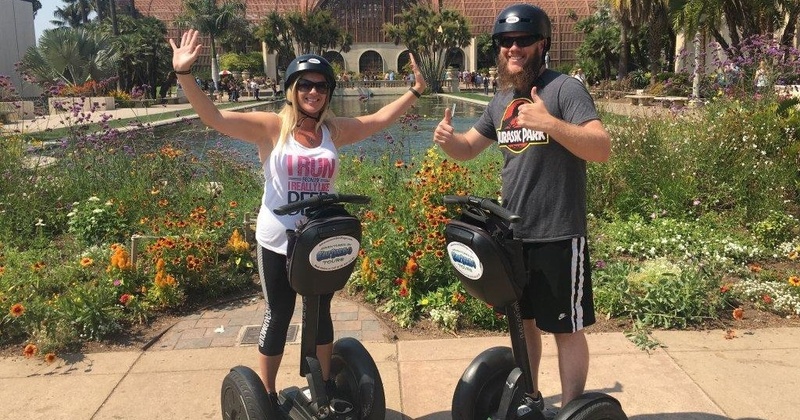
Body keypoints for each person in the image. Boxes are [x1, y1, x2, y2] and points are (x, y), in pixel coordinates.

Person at [170, 29, 426, 401]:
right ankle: (267, 397)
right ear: (293, 88)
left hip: (318, 240)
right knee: (279, 314)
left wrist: (415, 90)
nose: (313, 92)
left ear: (328, 92)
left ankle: (321, 386)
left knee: (321, 313)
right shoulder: (272, 128)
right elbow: (214, 118)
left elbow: (379, 119)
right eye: (305, 84)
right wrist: (184, 75)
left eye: (321, 86)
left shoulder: (332, 131)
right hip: (277, 239)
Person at [432, 4, 610, 417]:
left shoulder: (566, 90)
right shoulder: (501, 100)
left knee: (565, 328)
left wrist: (550, 124)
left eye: (523, 41)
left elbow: (600, 148)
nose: (514, 48)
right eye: (506, 42)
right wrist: (447, 140)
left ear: (541, 44)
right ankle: (530, 400)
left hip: (559, 232)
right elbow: (468, 150)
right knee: (524, 323)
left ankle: (570, 410)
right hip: (514, 235)